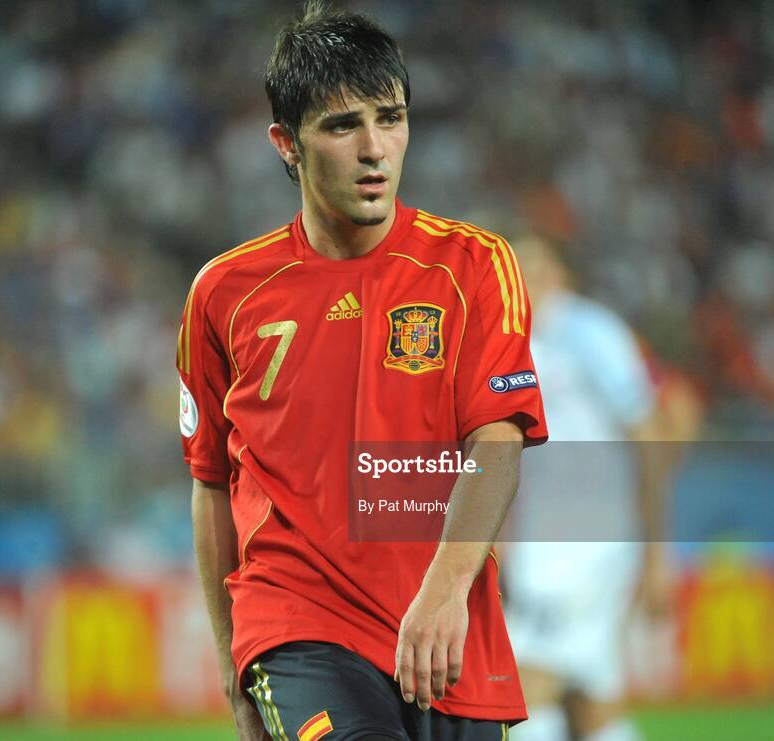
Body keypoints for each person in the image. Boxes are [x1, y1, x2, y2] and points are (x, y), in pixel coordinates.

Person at [179, 3, 547, 739]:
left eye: (392, 118)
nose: (375, 148)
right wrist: (231, 669)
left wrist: (445, 591)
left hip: (446, 637)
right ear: (287, 143)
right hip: (298, 628)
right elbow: (212, 481)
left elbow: (497, 442)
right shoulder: (224, 293)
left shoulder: (474, 266)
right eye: (343, 125)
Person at [505, 235, 695, 741]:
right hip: (555, 546)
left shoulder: (587, 333)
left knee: (525, 688)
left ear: (558, 274)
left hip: (583, 548)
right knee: (588, 701)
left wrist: (657, 550)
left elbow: (657, 426)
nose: (520, 276)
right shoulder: (522, 342)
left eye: (532, 265)